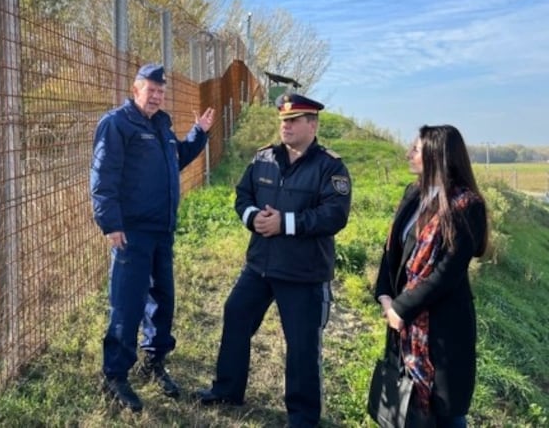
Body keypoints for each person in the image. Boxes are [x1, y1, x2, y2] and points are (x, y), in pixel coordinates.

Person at [195, 93, 352, 428]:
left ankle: (303, 417)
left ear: (313, 124)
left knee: (301, 345)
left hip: (302, 271)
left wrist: (286, 223)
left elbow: (334, 215)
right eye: (283, 121)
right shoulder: (263, 158)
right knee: (235, 315)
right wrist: (253, 218)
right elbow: (243, 195)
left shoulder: (331, 166)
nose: (287, 126)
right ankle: (227, 390)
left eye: (294, 121)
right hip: (260, 265)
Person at [90, 63, 215, 412]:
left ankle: (154, 361)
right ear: (136, 90)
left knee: (162, 299)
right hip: (131, 232)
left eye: (161, 92)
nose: (157, 97)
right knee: (127, 304)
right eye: (151, 91)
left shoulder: (160, 125)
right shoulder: (117, 124)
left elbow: (174, 160)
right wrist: (110, 222)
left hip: (162, 230)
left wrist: (198, 134)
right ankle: (115, 375)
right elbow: (103, 176)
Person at [373, 125, 488, 427]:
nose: (408, 154)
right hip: (403, 323)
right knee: (408, 407)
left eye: (416, 150)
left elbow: (447, 273)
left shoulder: (466, 206)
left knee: (446, 411)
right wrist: (385, 294)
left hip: (442, 328)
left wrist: (401, 307)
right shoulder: (414, 193)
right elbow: (393, 250)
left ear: (438, 156)